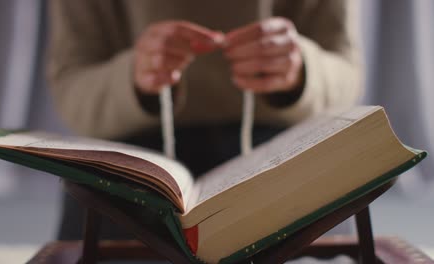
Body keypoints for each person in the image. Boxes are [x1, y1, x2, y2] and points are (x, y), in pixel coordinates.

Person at [47, 0, 362, 240]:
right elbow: (71, 84)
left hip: (282, 146)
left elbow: (346, 74)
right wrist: (132, 77)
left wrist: (300, 69)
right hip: (134, 154)